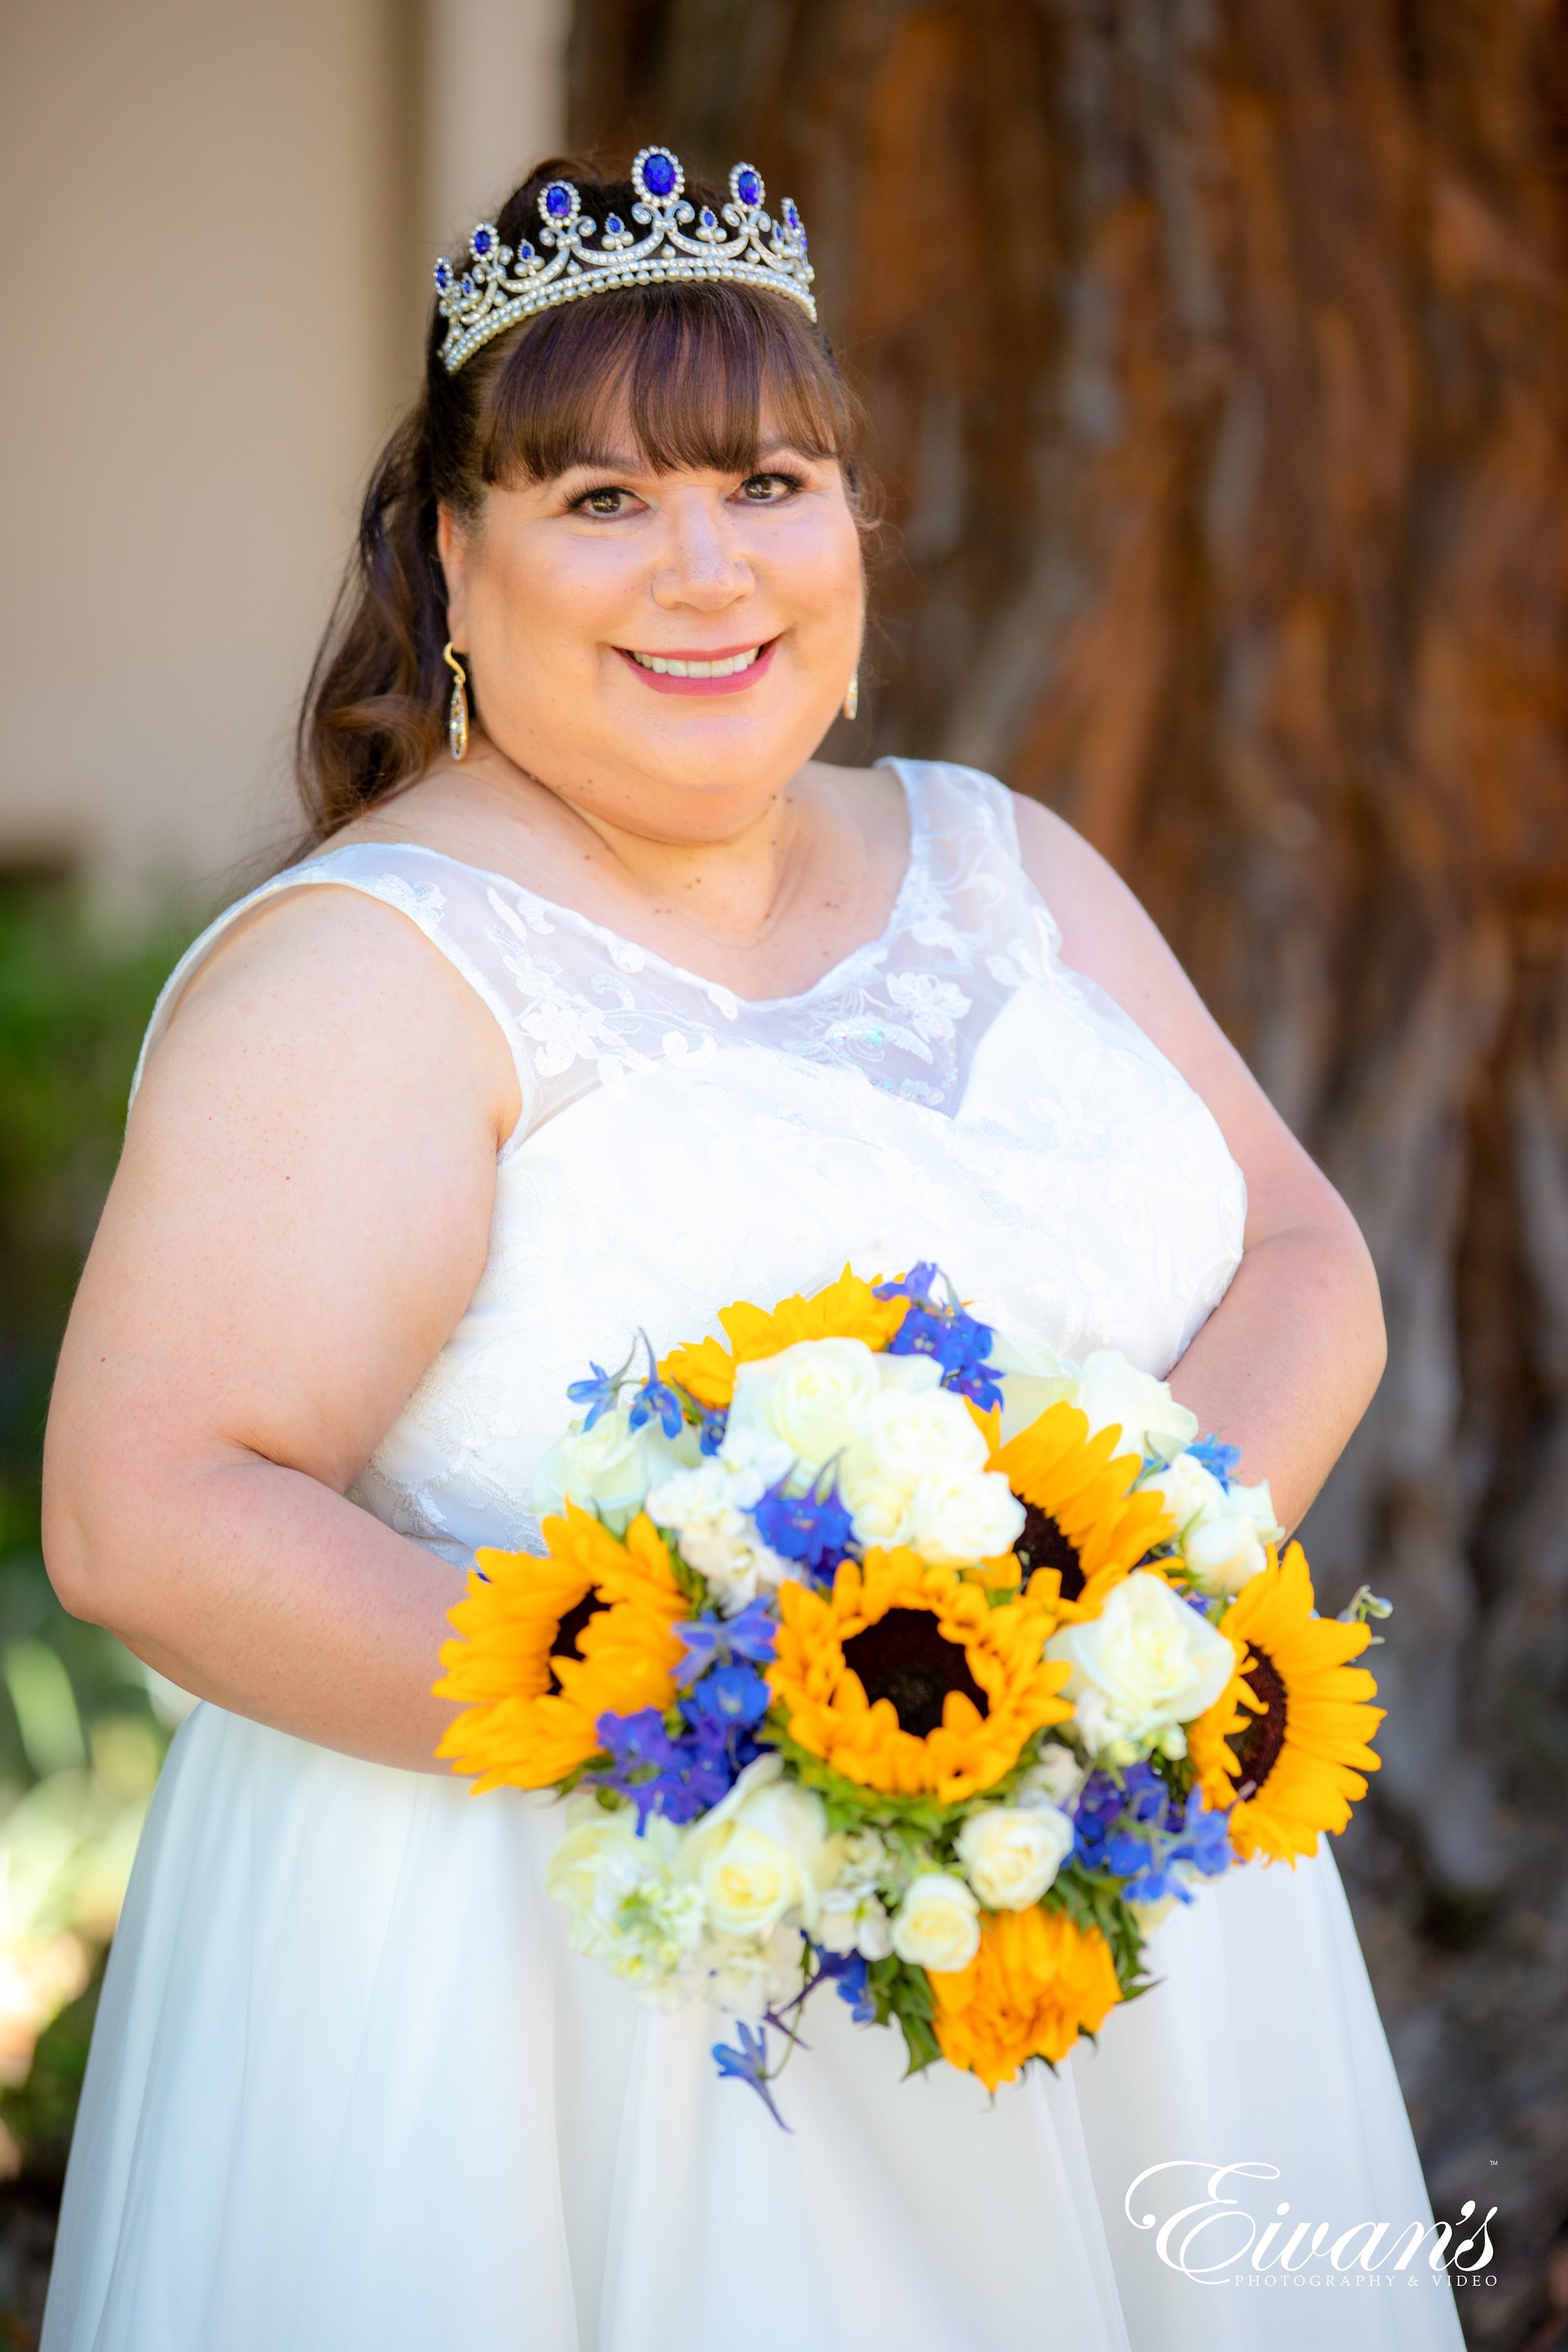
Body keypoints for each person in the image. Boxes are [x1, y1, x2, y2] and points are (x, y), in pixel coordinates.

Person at [38, 150, 1462, 2352]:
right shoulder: (368, 973)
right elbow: (149, 1518)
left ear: (853, 523)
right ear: (450, 553)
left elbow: (1304, 1255)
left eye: (766, 480)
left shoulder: (1009, 860)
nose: (707, 572)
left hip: (1106, 1935)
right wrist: (749, 1744)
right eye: (600, 501)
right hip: (584, 2029)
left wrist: (1085, 1653)